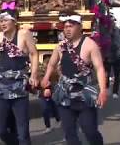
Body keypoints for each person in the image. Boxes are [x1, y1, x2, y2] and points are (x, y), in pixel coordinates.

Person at [41, 13, 107, 145]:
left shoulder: (90, 45)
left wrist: (103, 90)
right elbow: (52, 64)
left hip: (84, 95)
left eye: (70, 26)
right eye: (65, 27)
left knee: (90, 131)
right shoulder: (61, 46)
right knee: (69, 133)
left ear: (79, 27)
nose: (67, 29)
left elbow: (99, 68)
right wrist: (46, 78)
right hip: (65, 94)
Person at [0, 9, 39, 145]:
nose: (3, 23)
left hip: (19, 84)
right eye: (1, 21)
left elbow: (34, 54)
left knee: (22, 129)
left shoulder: (24, 34)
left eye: (6, 20)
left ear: (15, 21)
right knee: (1, 129)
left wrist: (34, 74)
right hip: (2, 85)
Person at [38, 56, 60, 134]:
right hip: (43, 93)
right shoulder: (40, 71)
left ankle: (58, 119)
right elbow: (40, 80)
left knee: (55, 108)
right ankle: (48, 126)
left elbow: (58, 80)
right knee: (45, 110)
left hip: (53, 92)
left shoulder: (55, 71)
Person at [104, 25, 120, 99]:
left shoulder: (118, 30)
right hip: (108, 56)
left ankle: (115, 92)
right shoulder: (105, 30)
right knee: (107, 74)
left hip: (117, 56)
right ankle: (107, 88)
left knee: (116, 75)